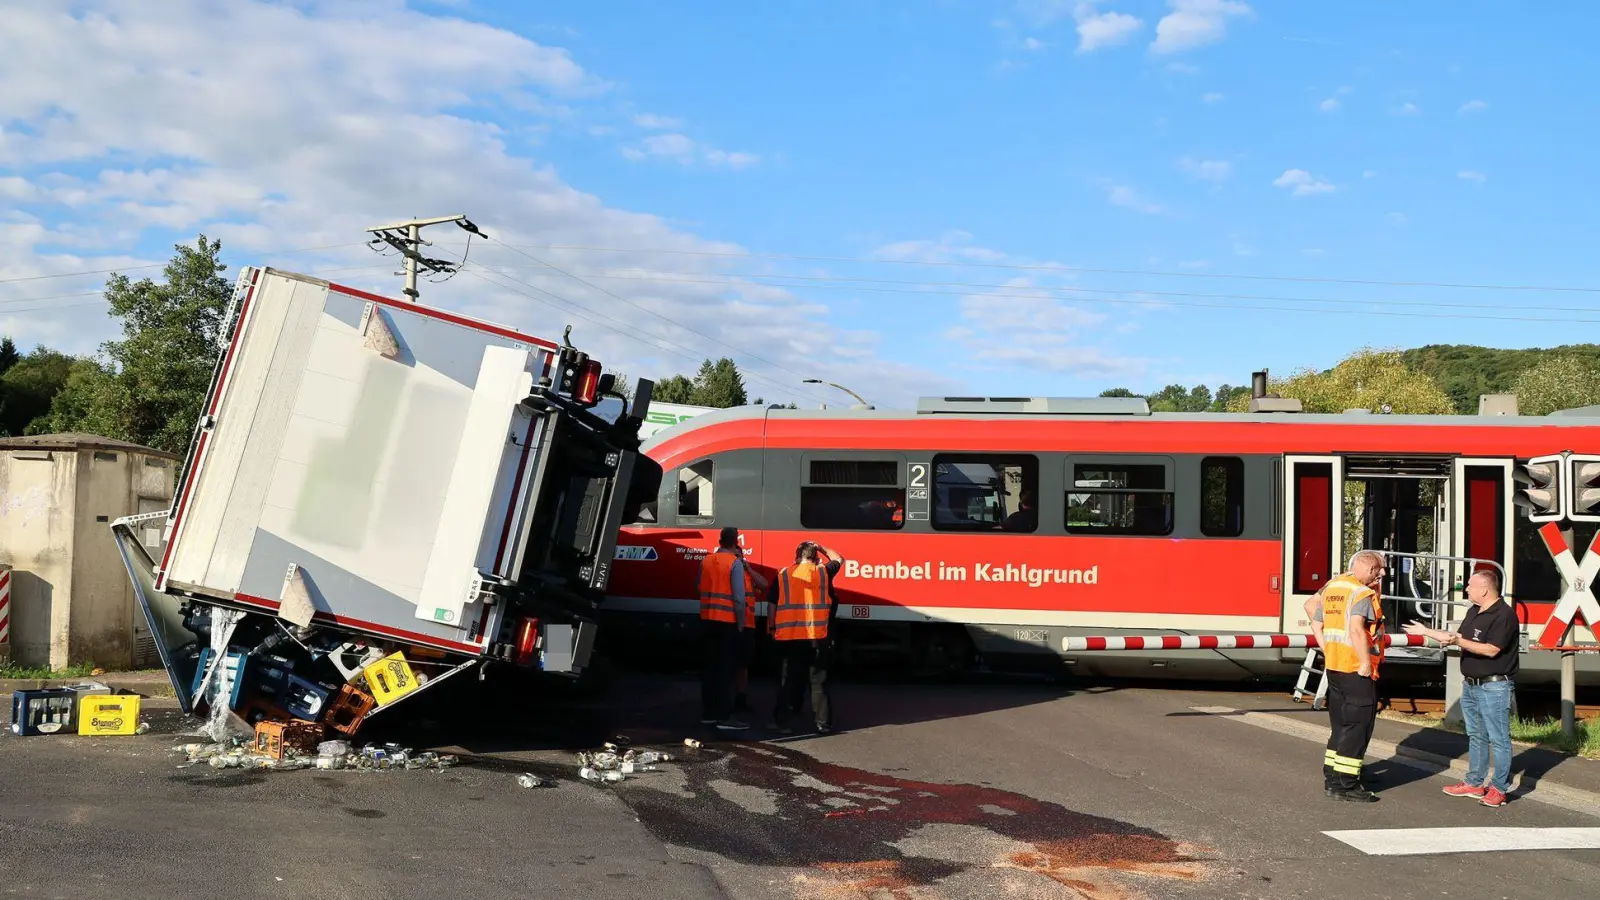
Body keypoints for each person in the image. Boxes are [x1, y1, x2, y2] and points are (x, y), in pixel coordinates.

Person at [1404, 570, 1518, 808]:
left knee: (1499, 739)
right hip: (1472, 685)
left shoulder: (1504, 615)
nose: (1466, 589)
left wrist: (1458, 641)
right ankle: (1475, 783)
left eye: (1470, 585)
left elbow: (1491, 649)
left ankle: (1498, 789)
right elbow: (1455, 638)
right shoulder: (1474, 611)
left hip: (1494, 686)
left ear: (1484, 590)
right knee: (1476, 736)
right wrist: (1426, 632)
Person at [1305, 549, 1387, 802]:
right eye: (1378, 569)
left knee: (1341, 724)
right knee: (1357, 726)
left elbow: (1312, 614)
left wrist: (1327, 648)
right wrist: (1364, 662)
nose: (1381, 574)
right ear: (1367, 567)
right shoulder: (1361, 592)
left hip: (1335, 665)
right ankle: (1346, 784)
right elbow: (1355, 630)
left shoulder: (1335, 586)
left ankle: (1333, 773)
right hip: (1355, 668)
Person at [768, 540, 843, 734]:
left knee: (788, 680)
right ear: (815, 557)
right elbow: (839, 558)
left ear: (797, 556)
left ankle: (783, 722)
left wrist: (771, 627)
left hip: (790, 636)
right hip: (817, 636)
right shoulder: (823, 572)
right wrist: (822, 547)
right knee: (818, 681)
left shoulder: (783, 574)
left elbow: (772, 604)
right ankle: (823, 723)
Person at [697, 526, 750, 731]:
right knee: (725, 671)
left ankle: (708, 714)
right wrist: (740, 623)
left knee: (709, 669)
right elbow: (738, 598)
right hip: (727, 624)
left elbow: (699, 587)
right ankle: (725, 716)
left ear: (720, 541)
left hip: (707, 621)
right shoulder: (734, 563)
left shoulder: (707, 560)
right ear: (735, 542)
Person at [733, 548, 770, 715]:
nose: (737, 559)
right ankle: (729, 698)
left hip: (747, 625)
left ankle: (741, 698)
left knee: (743, 665)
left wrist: (748, 568)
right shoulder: (728, 572)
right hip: (730, 623)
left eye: (739, 556)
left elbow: (764, 584)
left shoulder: (748, 574)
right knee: (730, 664)